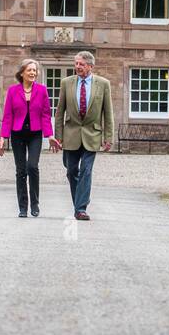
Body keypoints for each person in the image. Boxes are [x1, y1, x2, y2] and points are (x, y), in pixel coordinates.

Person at [51, 50, 114, 221]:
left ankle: (80, 208)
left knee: (86, 171)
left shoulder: (103, 83)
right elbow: (59, 112)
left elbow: (108, 113)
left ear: (90, 66)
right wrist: (58, 136)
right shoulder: (66, 83)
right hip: (71, 134)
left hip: (92, 134)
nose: (77, 67)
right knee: (71, 171)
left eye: (81, 64)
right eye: (76, 63)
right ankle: (80, 202)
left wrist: (108, 138)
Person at [0, 58, 52, 217]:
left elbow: (45, 115)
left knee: (32, 167)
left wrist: (49, 135)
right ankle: (22, 207)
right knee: (21, 171)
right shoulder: (13, 91)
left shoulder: (42, 90)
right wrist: (3, 137)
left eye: (35, 70)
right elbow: (8, 116)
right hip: (17, 134)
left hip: (35, 133)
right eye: (30, 70)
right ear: (22, 73)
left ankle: (35, 204)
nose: (33, 73)